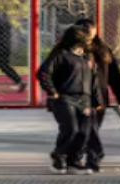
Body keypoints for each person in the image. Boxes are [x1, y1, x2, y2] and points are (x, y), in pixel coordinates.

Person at [36, 24, 96, 175]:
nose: (90, 41)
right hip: (64, 97)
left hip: (84, 99)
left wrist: (93, 98)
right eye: (86, 38)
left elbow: (92, 80)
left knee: (84, 131)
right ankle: (59, 157)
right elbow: (43, 73)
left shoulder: (85, 57)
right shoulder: (61, 54)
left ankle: (74, 161)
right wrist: (52, 91)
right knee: (71, 129)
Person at [74, 18, 120, 173]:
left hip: (99, 96)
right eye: (83, 27)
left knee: (92, 128)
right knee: (85, 129)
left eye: (90, 27)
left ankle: (90, 158)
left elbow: (114, 75)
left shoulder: (103, 49)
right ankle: (91, 156)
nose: (87, 30)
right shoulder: (70, 50)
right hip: (79, 96)